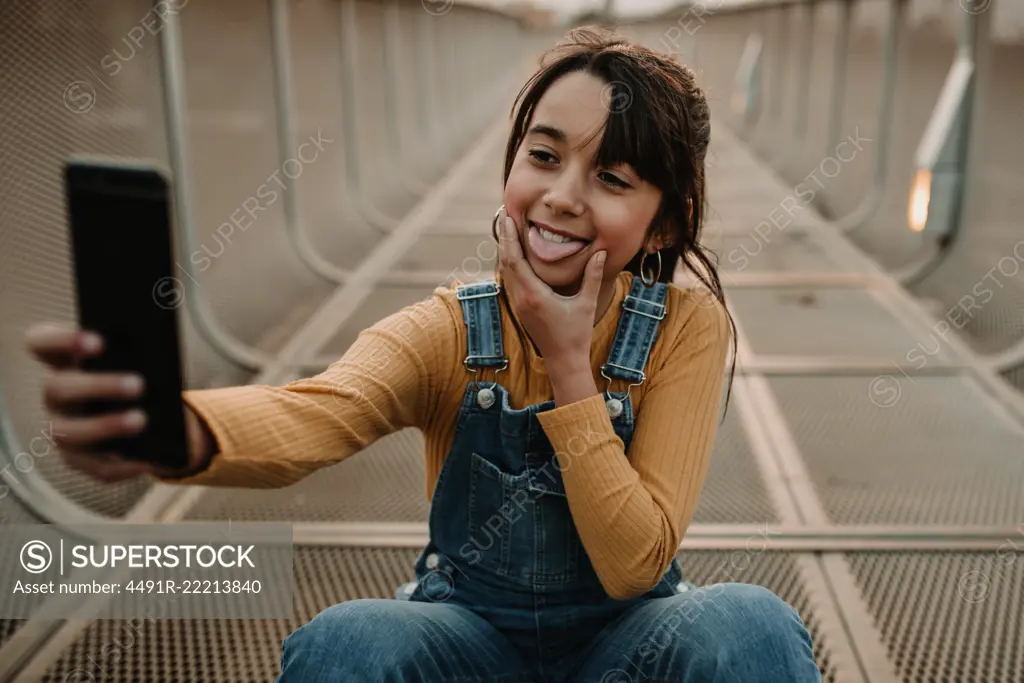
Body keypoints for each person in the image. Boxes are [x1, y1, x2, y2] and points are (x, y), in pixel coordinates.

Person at [25, 27, 821, 683]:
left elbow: (633, 564)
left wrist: (569, 364)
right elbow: (322, 413)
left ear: (666, 225)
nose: (563, 195)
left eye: (611, 176)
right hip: (469, 642)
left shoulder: (687, 328)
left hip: (630, 644)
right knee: (344, 644)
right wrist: (170, 428)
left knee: (750, 626)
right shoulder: (452, 329)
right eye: (543, 156)